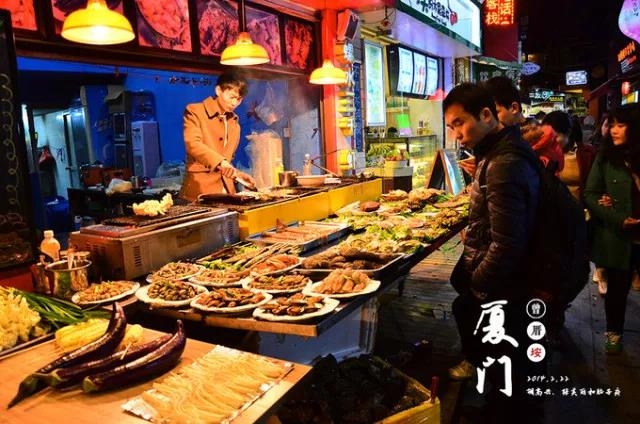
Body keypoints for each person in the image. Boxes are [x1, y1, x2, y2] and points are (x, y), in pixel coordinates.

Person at [444, 83, 542, 422]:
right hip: (506, 277)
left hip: (505, 282)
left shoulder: (503, 162)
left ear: (486, 115)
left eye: (459, 123)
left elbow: (507, 243)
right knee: (501, 352)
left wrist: (480, 285)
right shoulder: (499, 153)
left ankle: (501, 415)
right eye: (451, 127)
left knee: (503, 355)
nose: (456, 134)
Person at [584, 103, 640, 354]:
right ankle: (613, 332)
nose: (614, 130)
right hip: (619, 237)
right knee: (617, 289)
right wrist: (617, 217)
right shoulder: (606, 158)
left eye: (621, 125)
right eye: (612, 125)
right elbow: (591, 194)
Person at [180, 70, 256, 201]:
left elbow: (226, 163)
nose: (234, 103)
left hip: (226, 193)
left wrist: (238, 176)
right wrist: (221, 162)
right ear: (218, 90)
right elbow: (193, 144)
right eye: (232, 97)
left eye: (239, 99)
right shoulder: (195, 111)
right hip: (199, 192)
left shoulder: (234, 124)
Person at [559, 114, 596, 200]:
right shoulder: (548, 154)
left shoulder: (587, 153)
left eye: (555, 134)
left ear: (568, 133)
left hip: (581, 203)